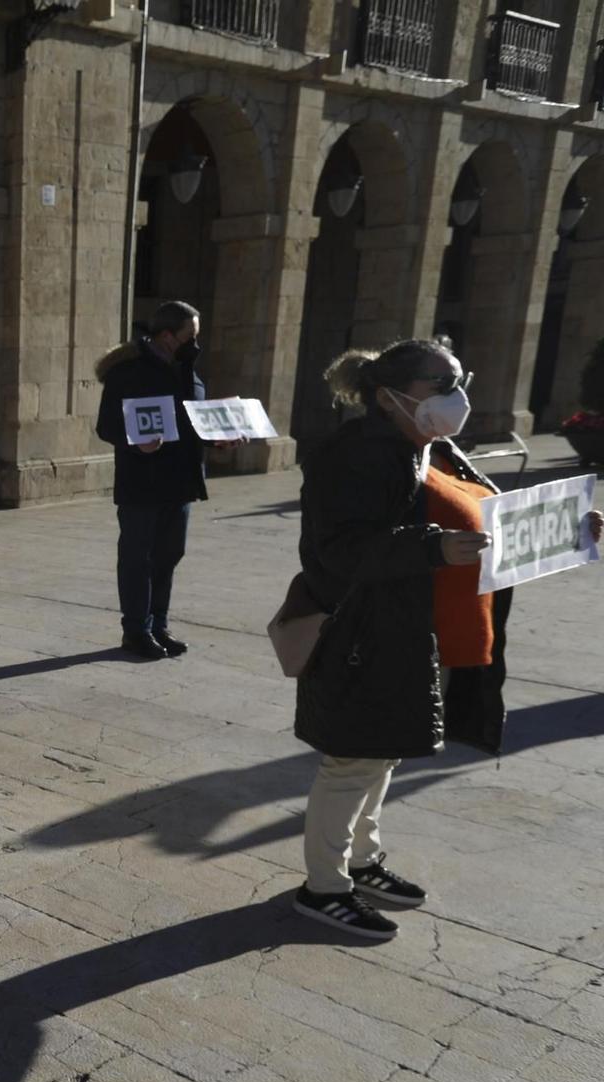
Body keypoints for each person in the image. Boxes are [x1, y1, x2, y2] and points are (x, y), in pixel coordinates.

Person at [290, 339, 603, 940]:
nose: (457, 396)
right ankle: (323, 887)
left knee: (383, 751)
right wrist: (430, 548)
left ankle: (361, 861)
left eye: (461, 380)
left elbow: (485, 518)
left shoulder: (432, 445)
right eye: (442, 384)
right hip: (364, 633)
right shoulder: (351, 457)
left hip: (417, 630)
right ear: (389, 397)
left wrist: (566, 529)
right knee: (351, 760)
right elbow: (337, 552)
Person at [94, 300, 218, 659]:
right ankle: (135, 630)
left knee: (168, 556)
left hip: (180, 483)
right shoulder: (127, 372)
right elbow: (107, 426)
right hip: (141, 484)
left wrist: (219, 439)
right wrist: (136, 444)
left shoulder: (187, 370)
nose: (196, 343)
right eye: (189, 336)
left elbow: (193, 424)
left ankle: (158, 625)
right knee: (138, 558)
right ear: (166, 335)